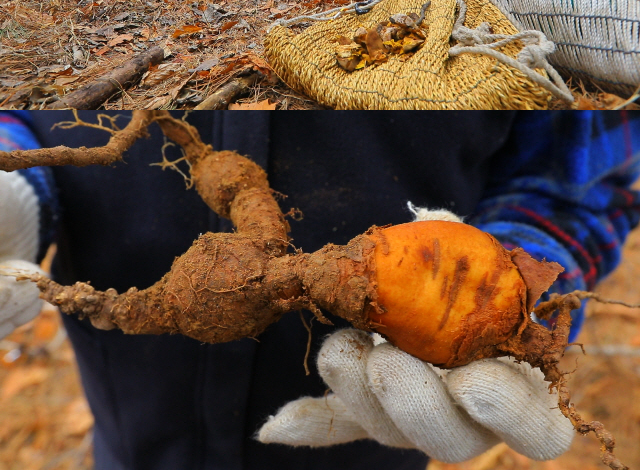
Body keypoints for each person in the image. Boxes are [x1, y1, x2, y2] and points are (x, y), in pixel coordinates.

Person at [0, 111, 639, 470]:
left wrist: (538, 253)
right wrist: (15, 184)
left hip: (375, 438)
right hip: (133, 441)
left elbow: (582, 183)